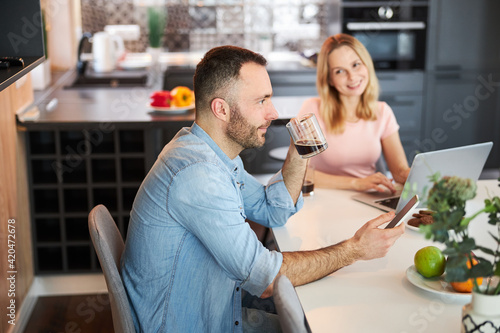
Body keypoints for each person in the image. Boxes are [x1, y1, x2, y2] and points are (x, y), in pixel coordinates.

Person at [121, 45, 405, 333]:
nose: (273, 112)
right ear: (221, 109)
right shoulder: (198, 175)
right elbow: (266, 280)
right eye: (261, 101)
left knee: (316, 312)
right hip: (189, 325)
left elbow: (273, 209)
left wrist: (298, 152)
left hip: (216, 308)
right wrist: (355, 249)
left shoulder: (215, 155)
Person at [298, 34, 411, 193]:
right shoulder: (311, 111)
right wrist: (356, 183)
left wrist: (425, 176)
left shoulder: (382, 111)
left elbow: (399, 172)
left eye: (356, 65)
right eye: (339, 71)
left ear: (367, 65)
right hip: (325, 200)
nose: (352, 77)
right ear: (329, 79)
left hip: (370, 198)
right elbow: (298, 173)